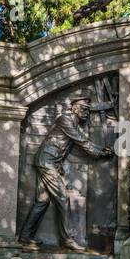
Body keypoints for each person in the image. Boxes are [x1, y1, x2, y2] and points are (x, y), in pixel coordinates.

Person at [19, 95, 114, 250]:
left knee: (42, 202)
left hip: (49, 162)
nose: (86, 112)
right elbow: (80, 140)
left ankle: (25, 237)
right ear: (74, 107)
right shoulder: (65, 119)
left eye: (88, 110)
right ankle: (67, 239)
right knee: (63, 198)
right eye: (83, 108)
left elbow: (67, 144)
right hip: (46, 162)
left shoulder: (73, 121)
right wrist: (100, 152)